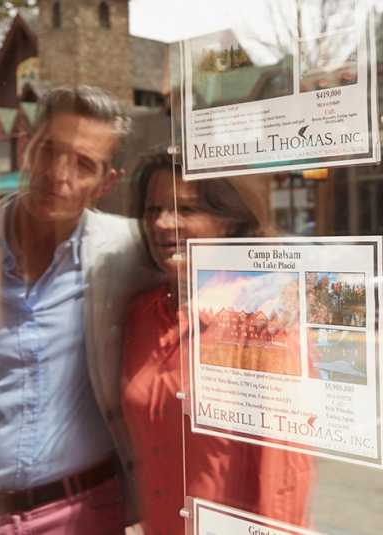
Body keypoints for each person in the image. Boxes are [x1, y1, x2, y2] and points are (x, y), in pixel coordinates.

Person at [0, 86, 158, 534]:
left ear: (106, 183)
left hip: (84, 511)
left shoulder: (129, 250)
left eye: (83, 165)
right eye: (49, 151)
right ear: (26, 149)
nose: (57, 174)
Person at [120, 152, 314, 534]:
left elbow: (284, 478)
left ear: (229, 222)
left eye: (185, 209)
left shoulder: (265, 321)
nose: (162, 223)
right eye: (153, 209)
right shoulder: (140, 317)